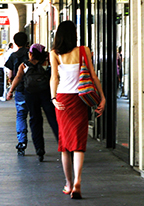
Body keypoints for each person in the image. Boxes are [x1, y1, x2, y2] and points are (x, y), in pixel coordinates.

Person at [50, 21, 106, 199]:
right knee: (79, 143)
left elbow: (54, 78)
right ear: (74, 34)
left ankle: (68, 183)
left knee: (65, 144)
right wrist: (102, 97)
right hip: (81, 100)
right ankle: (78, 181)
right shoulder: (84, 50)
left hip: (63, 100)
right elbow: (93, 75)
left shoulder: (55, 53)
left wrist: (53, 98)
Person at [7, 44, 59, 162]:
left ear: (30, 53)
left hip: (30, 94)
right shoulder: (47, 64)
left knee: (35, 120)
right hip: (46, 93)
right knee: (53, 119)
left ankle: (39, 148)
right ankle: (63, 145)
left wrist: (10, 91)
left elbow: (18, 78)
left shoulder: (24, 65)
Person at [4, 32, 30, 156]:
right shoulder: (32, 54)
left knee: (21, 115)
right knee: (35, 116)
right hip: (34, 89)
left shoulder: (13, 56)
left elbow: (11, 74)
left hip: (20, 89)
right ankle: (39, 145)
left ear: (15, 43)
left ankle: (22, 141)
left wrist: (11, 87)